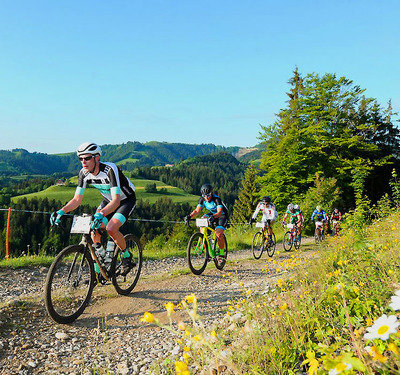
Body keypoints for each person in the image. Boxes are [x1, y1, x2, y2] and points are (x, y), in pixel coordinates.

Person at [50, 142, 137, 277]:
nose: (83, 162)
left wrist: (100, 214)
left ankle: (126, 256)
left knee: (111, 228)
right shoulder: (83, 174)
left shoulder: (109, 169)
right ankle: (99, 271)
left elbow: (116, 201)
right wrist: (62, 211)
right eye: (81, 159)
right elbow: (76, 200)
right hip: (108, 201)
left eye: (87, 158)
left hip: (125, 200)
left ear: (96, 158)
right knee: (93, 229)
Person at [185, 183, 229, 263]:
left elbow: (219, 212)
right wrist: (190, 216)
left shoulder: (216, 199)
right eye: (204, 195)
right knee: (202, 221)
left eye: (208, 195)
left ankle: (222, 254)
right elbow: (197, 211)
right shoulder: (202, 199)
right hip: (212, 214)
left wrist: (213, 217)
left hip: (222, 215)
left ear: (212, 193)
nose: (206, 197)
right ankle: (205, 242)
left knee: (218, 234)